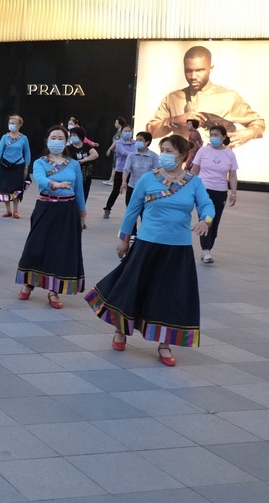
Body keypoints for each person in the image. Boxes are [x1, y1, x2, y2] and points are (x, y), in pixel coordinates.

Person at [85, 135, 214, 366]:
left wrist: (206, 220)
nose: (163, 154)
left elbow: (207, 205)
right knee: (132, 288)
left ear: (182, 156)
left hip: (179, 249)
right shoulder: (148, 179)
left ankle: (165, 343)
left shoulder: (194, 182)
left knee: (170, 295)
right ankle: (120, 331)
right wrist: (124, 240)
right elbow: (131, 212)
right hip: (147, 244)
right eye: (162, 149)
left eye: (169, 150)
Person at [17, 126, 87, 308]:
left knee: (62, 250)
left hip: (68, 210)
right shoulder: (40, 162)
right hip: (46, 207)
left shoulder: (74, 164)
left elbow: (79, 191)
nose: (56, 141)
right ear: (47, 140)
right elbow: (39, 179)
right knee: (36, 245)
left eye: (60, 138)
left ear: (66, 142)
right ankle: (29, 282)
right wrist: (54, 184)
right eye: (53, 137)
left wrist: (82, 214)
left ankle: (54, 291)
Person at [145, 45, 266, 148]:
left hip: (214, 169)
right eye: (188, 70)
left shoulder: (229, 97)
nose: (193, 76)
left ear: (210, 69)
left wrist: (249, 133)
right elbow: (151, 132)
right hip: (181, 170)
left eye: (199, 70)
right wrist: (175, 120)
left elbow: (258, 122)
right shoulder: (172, 98)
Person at [190, 125, 238, 264]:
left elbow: (233, 175)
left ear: (224, 136)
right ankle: (205, 251)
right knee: (205, 218)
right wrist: (189, 187)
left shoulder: (229, 154)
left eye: (217, 135)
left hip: (221, 191)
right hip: (203, 189)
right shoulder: (203, 151)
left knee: (215, 222)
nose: (213, 137)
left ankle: (208, 248)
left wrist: (233, 193)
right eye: (212, 134)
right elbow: (194, 169)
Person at [0, 114, 31, 219]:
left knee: (17, 188)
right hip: (5, 166)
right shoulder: (4, 137)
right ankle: (8, 210)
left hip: (18, 166)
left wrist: (26, 167)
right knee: (5, 188)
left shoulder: (24, 138)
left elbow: (27, 153)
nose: (11, 125)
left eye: (14, 123)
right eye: (10, 123)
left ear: (19, 125)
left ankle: (16, 211)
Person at [103, 124, 135, 219]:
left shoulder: (135, 143)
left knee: (130, 192)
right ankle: (108, 208)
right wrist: (135, 154)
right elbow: (124, 153)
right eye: (125, 131)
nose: (128, 133)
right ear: (121, 133)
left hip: (131, 171)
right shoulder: (119, 143)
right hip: (120, 170)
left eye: (129, 131)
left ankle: (129, 212)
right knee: (116, 191)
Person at [121, 131, 159, 206]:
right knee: (130, 210)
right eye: (137, 139)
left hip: (147, 189)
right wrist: (124, 182)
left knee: (144, 212)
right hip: (132, 186)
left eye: (140, 140)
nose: (137, 141)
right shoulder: (131, 155)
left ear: (147, 142)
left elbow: (158, 172)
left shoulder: (153, 156)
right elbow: (126, 169)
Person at [67, 125, 99, 201]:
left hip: (85, 175)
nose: (72, 137)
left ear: (80, 136)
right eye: (71, 135)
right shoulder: (68, 148)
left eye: (74, 135)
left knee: (83, 196)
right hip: (73, 175)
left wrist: (85, 159)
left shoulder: (87, 146)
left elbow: (95, 154)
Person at [102, 117, 127, 186]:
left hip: (118, 152)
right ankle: (111, 179)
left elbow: (116, 141)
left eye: (116, 122)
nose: (115, 124)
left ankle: (112, 180)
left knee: (116, 166)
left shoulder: (120, 132)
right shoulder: (118, 131)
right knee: (114, 166)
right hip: (115, 151)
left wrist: (110, 149)